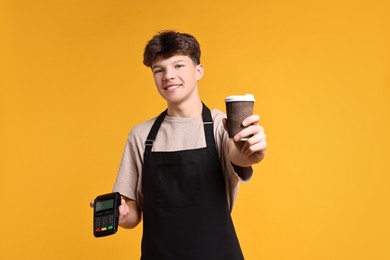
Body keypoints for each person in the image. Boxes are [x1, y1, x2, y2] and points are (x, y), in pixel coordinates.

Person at [91, 30, 267, 259]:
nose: (168, 76)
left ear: (198, 70)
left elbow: (239, 154)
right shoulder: (141, 135)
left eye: (178, 66)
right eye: (159, 70)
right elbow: (133, 212)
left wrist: (252, 150)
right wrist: (121, 214)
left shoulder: (218, 125)